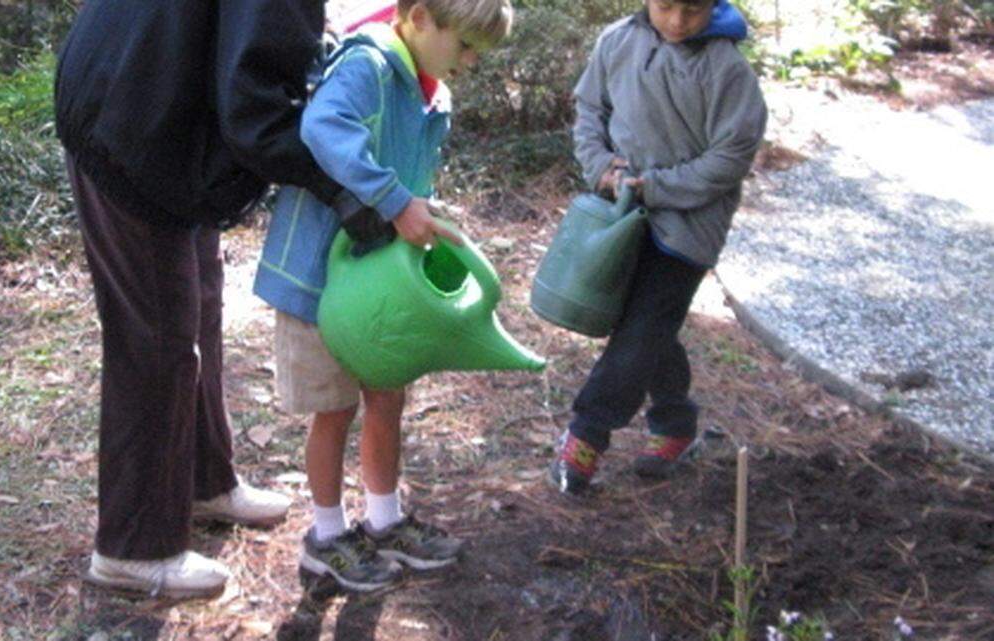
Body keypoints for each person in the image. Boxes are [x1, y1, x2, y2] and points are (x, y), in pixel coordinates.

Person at [54, 1, 396, 600]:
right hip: (130, 123)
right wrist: (343, 190)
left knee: (200, 307)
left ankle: (204, 482)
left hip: (164, 110)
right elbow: (256, 113)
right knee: (158, 338)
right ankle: (132, 549)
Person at [252, 0, 512, 591]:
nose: (470, 60)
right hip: (321, 280)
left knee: (387, 396)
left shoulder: (429, 92)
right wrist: (394, 201)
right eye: (465, 44)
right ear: (420, 17)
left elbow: (406, 175)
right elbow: (322, 129)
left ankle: (384, 519)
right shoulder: (366, 65)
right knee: (335, 408)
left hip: (380, 286)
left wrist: (416, 212)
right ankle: (325, 536)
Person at [549, 0, 767, 494]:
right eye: (665, 6)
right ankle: (674, 423)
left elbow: (730, 157)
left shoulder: (727, 70)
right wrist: (601, 165)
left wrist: (658, 186)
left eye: (691, 11)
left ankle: (587, 434)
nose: (675, 22)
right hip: (624, 212)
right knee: (645, 324)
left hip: (689, 225)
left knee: (644, 324)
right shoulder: (617, 41)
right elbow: (590, 109)